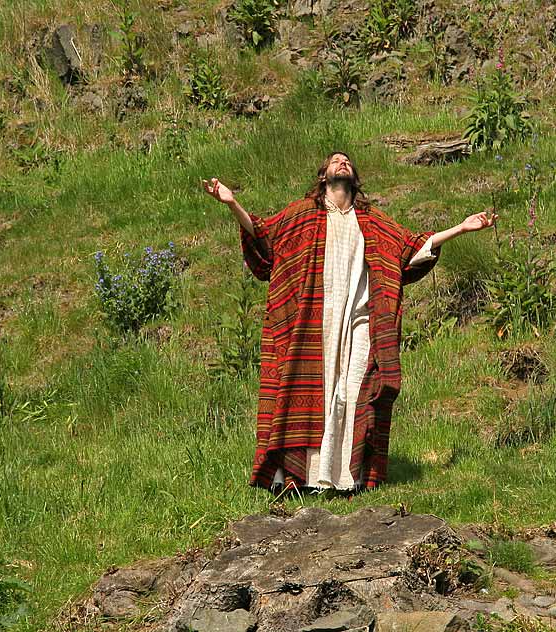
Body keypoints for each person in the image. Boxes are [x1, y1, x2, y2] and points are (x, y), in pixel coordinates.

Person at [202, 151, 496, 494]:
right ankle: (306, 478)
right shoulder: (302, 214)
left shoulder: (373, 222)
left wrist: (461, 228)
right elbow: (264, 237)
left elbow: (412, 249)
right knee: (314, 392)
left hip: (361, 321)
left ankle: (346, 477)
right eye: (334, 161)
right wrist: (231, 203)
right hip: (314, 321)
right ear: (324, 176)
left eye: (347, 161)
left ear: (353, 176)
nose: (342, 163)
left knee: (355, 388)